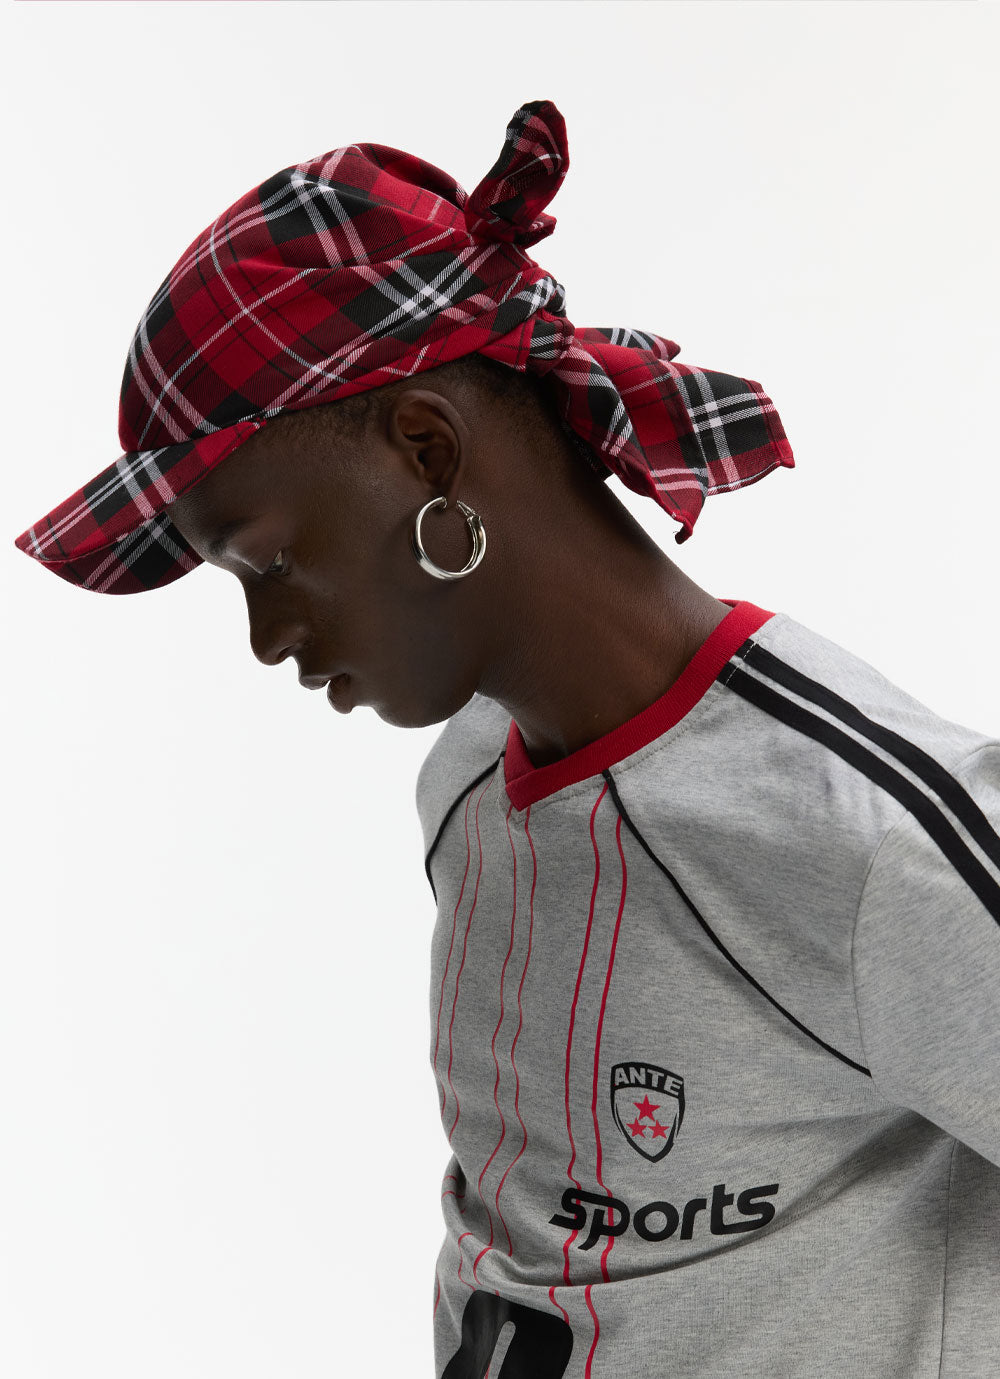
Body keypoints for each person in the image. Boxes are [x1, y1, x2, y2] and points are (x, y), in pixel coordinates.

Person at [13, 100, 999, 1378]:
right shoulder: (467, 780)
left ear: (427, 449)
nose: (265, 637)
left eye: (267, 562)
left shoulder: (866, 841)